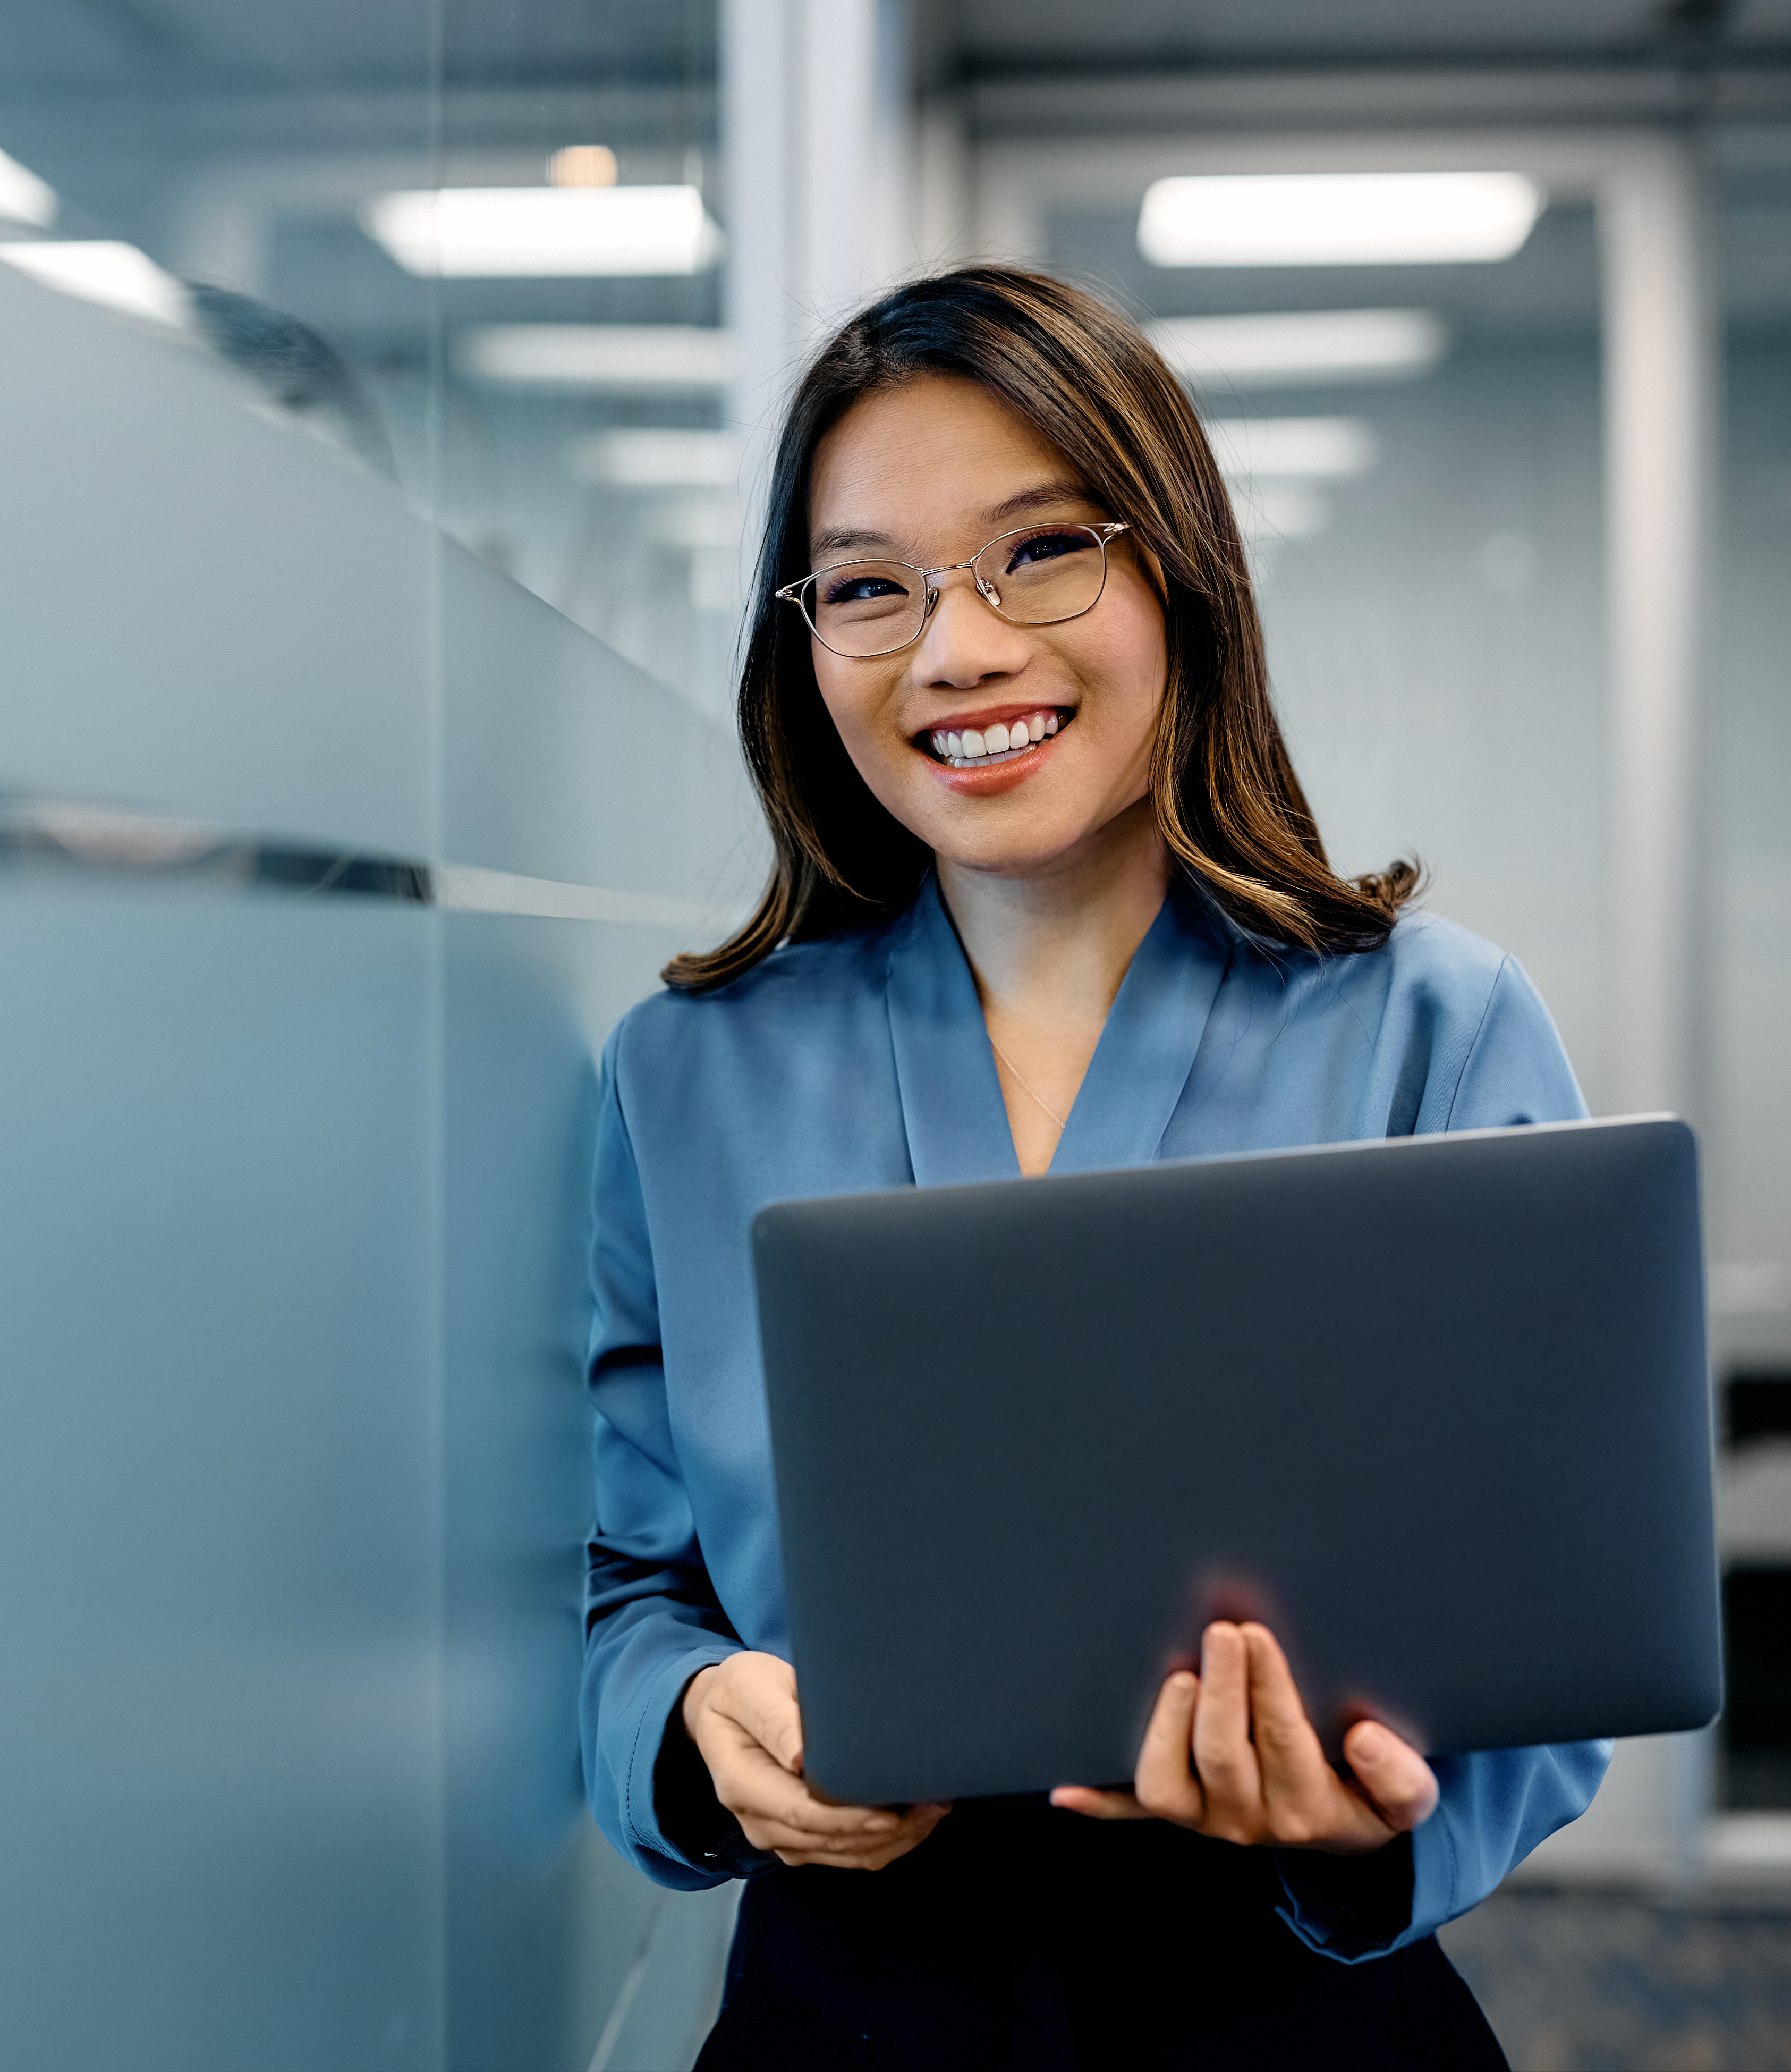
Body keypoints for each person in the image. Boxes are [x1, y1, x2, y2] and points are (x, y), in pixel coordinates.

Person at [579, 266, 1610, 2067]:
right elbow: (612, 1580)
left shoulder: (1430, 1028)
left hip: (1290, 2009)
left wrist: (1375, 1822)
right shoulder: (687, 1074)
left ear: (1178, 574)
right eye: (870, 586)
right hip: (849, 2010)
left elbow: (1563, 1609)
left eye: (1039, 550)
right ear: (802, 637)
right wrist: (687, 1716)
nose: (958, 649)